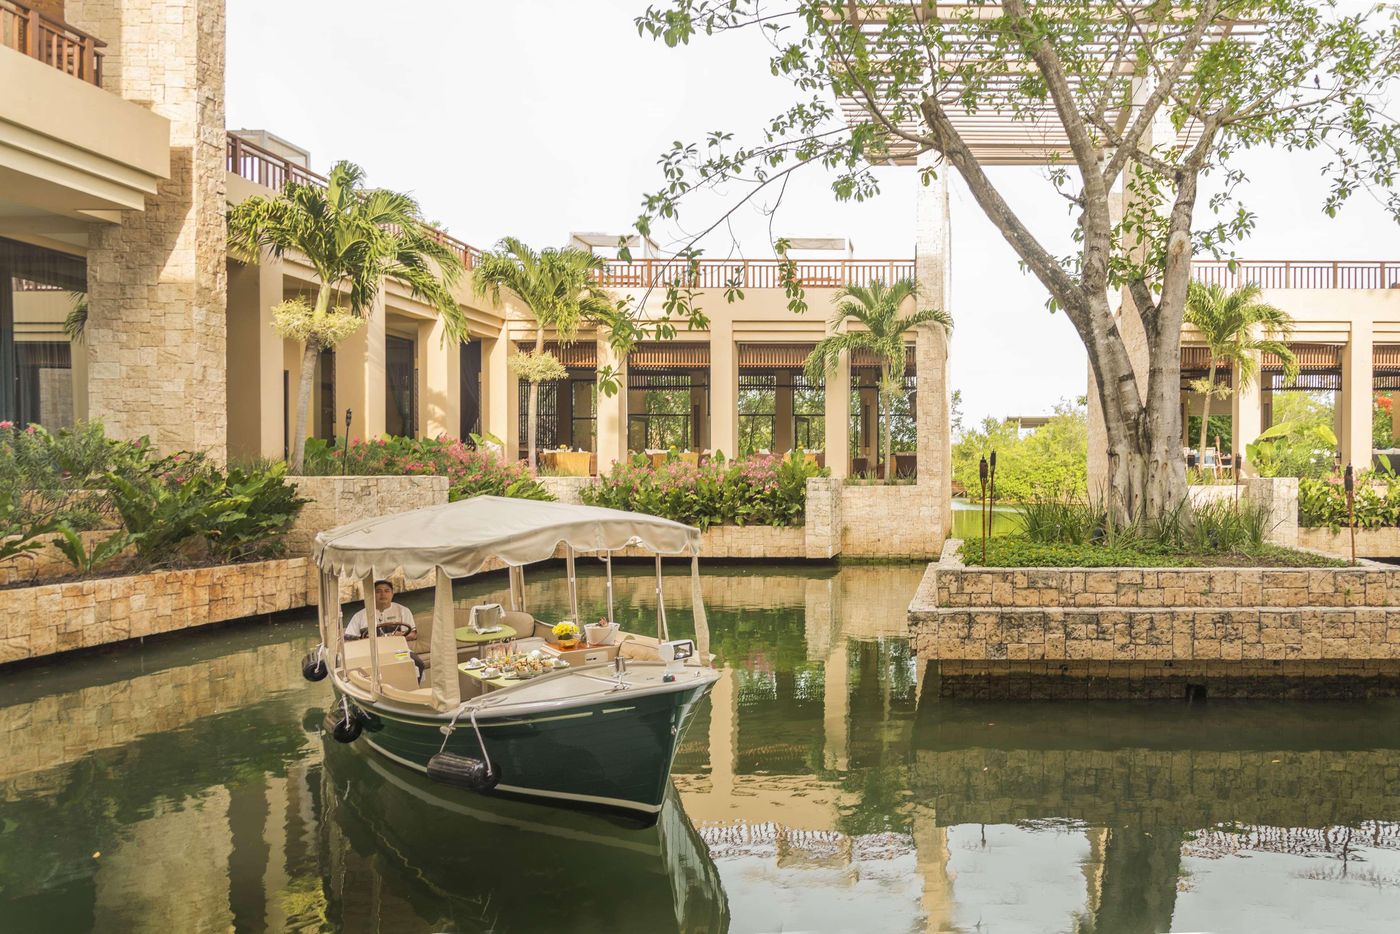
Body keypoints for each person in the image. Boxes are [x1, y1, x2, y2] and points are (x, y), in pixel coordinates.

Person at [345, 580, 417, 643]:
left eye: (387, 591)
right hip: (371, 653)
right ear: (372, 595)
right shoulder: (359, 616)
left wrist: (400, 636)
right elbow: (348, 640)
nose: (383, 594)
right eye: (378, 591)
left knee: (414, 659)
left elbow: (413, 635)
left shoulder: (403, 610)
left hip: (398, 651)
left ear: (392, 594)